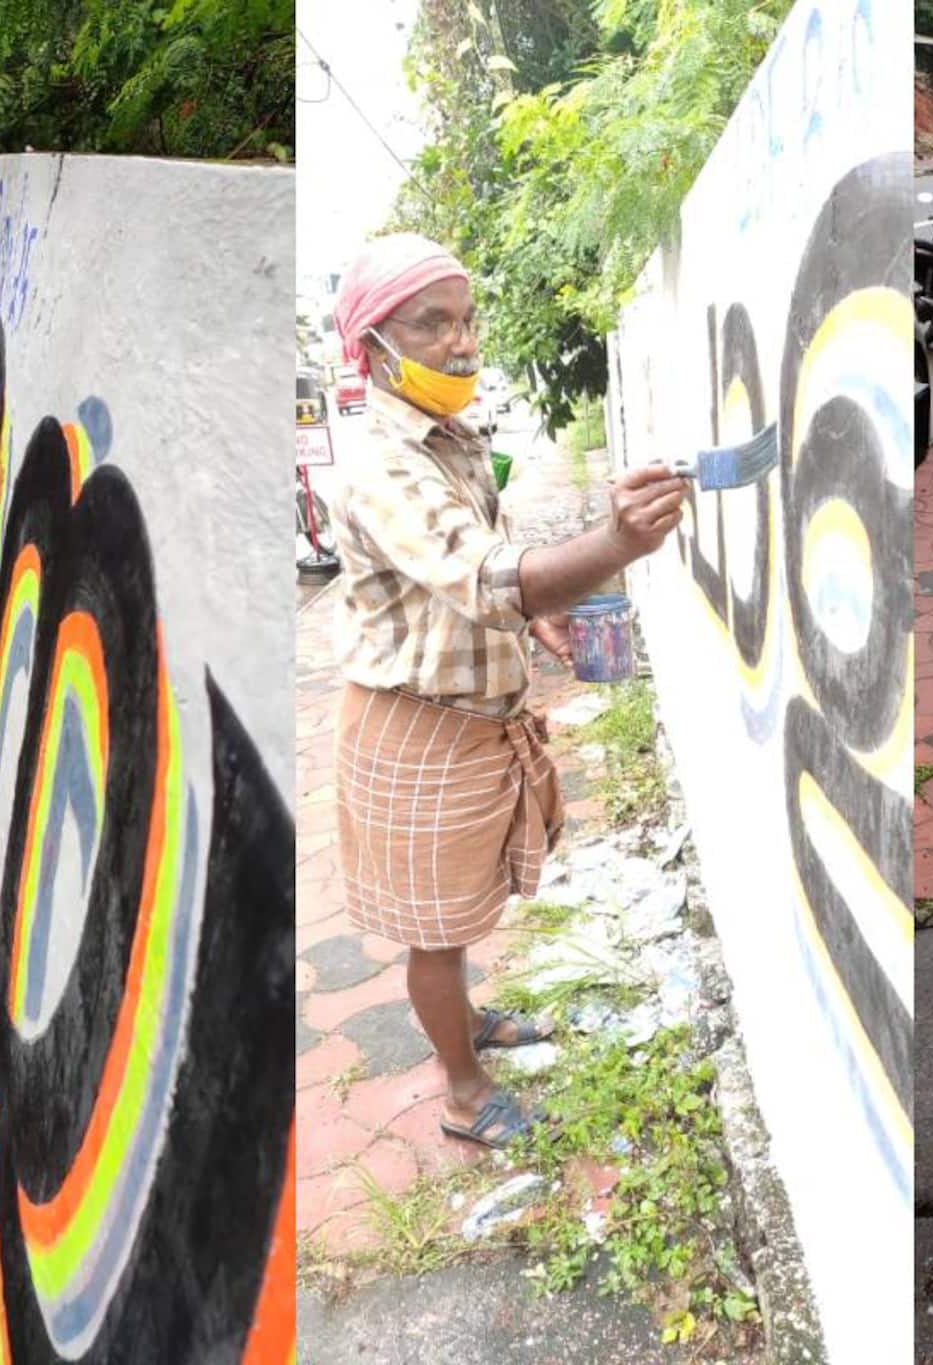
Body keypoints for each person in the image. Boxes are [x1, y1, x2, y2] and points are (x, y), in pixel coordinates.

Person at [329, 233, 688, 1148]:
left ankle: (469, 1023)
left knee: (455, 908)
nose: (460, 342)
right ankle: (461, 1090)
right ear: (374, 345)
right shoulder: (382, 463)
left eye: (466, 319)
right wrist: (616, 544)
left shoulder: (447, 439)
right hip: (417, 730)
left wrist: (537, 616)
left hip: (464, 721)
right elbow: (486, 576)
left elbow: (473, 575)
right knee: (433, 929)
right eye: (432, 324)